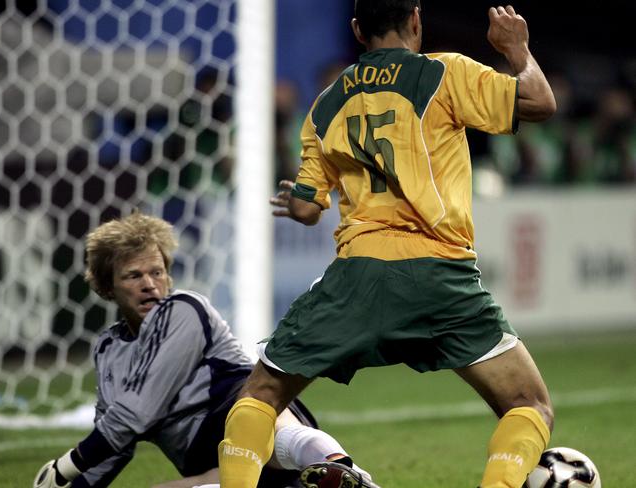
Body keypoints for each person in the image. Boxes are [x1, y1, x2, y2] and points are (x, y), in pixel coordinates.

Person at [218, 2, 556, 488]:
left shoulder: (326, 104)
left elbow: (310, 208)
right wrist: (517, 51)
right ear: (418, 20)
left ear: (357, 30)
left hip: (360, 275)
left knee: (260, 396)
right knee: (529, 405)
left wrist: (298, 206)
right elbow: (540, 104)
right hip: (442, 274)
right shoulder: (444, 73)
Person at [32, 212, 376, 488]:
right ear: (107, 286)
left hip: (249, 421)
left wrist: (65, 468)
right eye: (133, 276)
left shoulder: (184, 309)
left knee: (264, 415)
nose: (149, 284)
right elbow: (112, 442)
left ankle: (343, 471)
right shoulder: (108, 350)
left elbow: (135, 415)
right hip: (208, 463)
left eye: (157, 272)